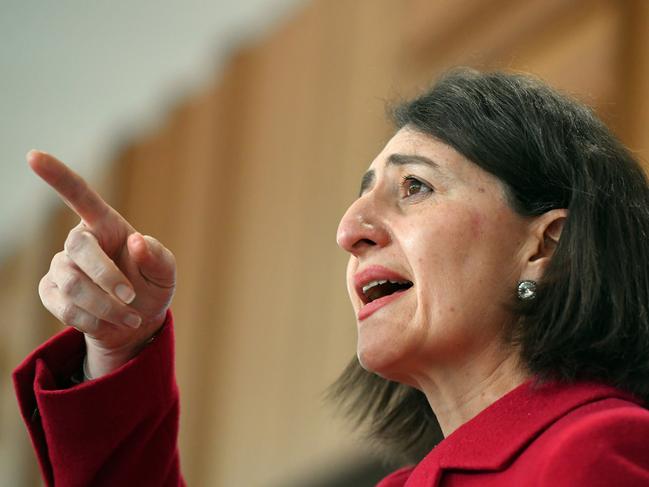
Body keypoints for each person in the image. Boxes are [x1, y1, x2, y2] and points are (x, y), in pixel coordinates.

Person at [13, 68, 649, 486]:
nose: (350, 229)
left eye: (416, 186)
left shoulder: (597, 452)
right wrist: (119, 345)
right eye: (361, 195)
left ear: (547, 247)